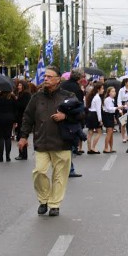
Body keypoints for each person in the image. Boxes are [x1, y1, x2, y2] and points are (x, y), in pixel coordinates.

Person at [18, 66, 76, 217]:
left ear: (58, 80)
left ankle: (54, 204)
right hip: (41, 142)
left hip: (62, 142)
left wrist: (66, 117)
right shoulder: (36, 97)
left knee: (59, 176)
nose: (46, 79)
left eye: (50, 77)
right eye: (45, 76)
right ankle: (43, 200)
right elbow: (27, 117)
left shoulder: (68, 95)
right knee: (39, 171)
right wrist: (23, 136)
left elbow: (80, 114)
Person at [0, 90, 17, 162]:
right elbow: (15, 109)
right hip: (10, 118)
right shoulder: (12, 99)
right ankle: (8, 156)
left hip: (0, 118)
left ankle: (0, 157)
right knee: (8, 137)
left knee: (1, 137)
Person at [14, 80, 32, 160]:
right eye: (18, 85)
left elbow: (24, 106)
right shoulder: (20, 94)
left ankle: (23, 154)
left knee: (21, 136)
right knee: (19, 135)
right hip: (19, 118)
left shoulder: (26, 95)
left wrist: (16, 101)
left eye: (20, 85)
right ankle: (22, 153)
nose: (18, 87)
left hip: (23, 118)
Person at [102, 86, 122, 153]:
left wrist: (114, 117)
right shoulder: (107, 99)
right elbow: (109, 108)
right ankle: (105, 148)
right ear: (109, 92)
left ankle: (111, 148)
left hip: (110, 115)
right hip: (107, 116)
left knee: (111, 133)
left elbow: (112, 111)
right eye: (112, 91)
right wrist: (117, 107)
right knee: (109, 132)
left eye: (114, 91)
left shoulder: (113, 99)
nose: (114, 93)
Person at [85, 83, 104, 154]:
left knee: (90, 132)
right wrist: (100, 120)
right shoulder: (98, 98)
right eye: (102, 88)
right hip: (95, 115)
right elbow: (98, 110)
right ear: (98, 89)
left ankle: (89, 149)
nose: (103, 90)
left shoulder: (92, 96)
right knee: (99, 132)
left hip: (90, 114)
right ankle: (93, 147)